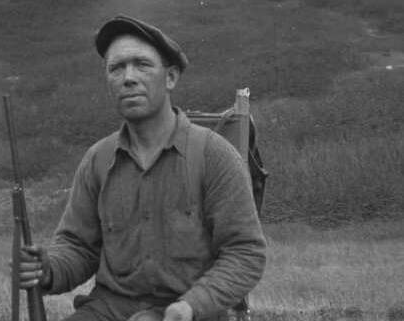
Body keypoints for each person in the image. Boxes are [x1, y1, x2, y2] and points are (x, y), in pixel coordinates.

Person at [18, 15, 266, 321]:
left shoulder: (215, 156)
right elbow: (79, 247)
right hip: (109, 310)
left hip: (192, 312)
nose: (128, 77)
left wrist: (190, 306)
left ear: (171, 77)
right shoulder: (97, 160)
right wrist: (48, 269)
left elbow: (245, 252)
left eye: (142, 64)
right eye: (116, 68)